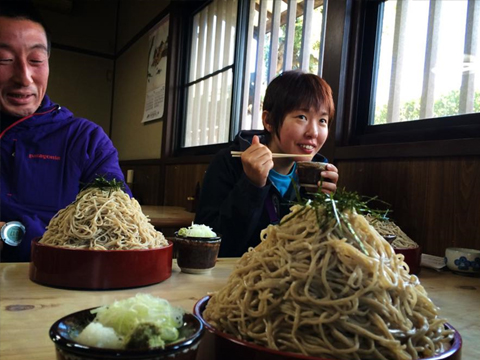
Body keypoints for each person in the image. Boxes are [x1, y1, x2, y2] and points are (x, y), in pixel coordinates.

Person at [0, 1, 129, 262]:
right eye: (4, 59)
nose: (24, 77)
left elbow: (118, 225)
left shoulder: (86, 139)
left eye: (36, 60)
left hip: (62, 282)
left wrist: (11, 234)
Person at [195, 70, 339, 257]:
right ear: (269, 121)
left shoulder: (318, 175)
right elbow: (208, 247)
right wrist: (251, 185)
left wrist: (327, 203)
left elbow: (319, 252)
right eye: (302, 117)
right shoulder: (229, 162)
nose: (314, 132)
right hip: (233, 279)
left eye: (322, 120)